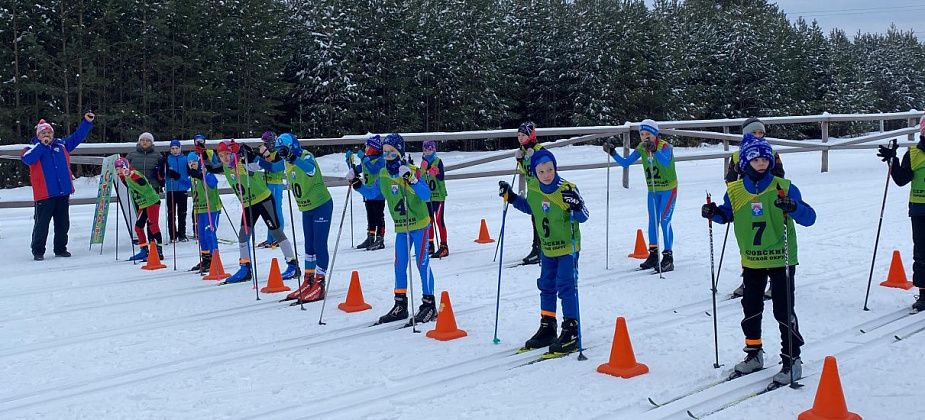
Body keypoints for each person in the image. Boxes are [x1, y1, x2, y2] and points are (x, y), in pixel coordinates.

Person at [701, 136, 815, 385]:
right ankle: (754, 354)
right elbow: (727, 214)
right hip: (751, 260)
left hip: (781, 258)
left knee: (783, 310)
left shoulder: (783, 186)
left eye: (765, 159)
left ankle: (791, 359)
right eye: (755, 159)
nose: (761, 163)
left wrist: (792, 206)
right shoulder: (736, 190)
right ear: (745, 162)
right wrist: (714, 213)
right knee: (751, 308)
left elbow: (810, 217)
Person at [498, 148, 589, 354]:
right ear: (535, 172)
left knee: (566, 286)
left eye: (550, 169)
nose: (546, 174)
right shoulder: (535, 187)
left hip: (567, 247)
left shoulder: (566, 188)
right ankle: (548, 325)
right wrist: (511, 197)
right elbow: (531, 207)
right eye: (541, 171)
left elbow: (584, 215)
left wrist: (576, 206)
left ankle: (571, 329)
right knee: (546, 285)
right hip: (547, 249)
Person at [351, 133, 437, 325]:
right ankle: (400, 305)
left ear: (400, 152)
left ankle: (429, 304)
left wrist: (412, 180)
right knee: (399, 265)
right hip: (401, 227)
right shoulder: (382, 173)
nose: (388, 156)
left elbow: (426, 195)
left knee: (422, 265)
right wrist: (357, 185)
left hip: (420, 226)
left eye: (392, 152)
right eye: (385, 152)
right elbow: (374, 193)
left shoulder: (412, 170)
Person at [216, 139, 299, 283]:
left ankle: (293, 265)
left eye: (227, 154)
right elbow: (210, 167)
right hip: (249, 204)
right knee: (243, 235)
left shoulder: (243, 162)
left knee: (276, 232)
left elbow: (257, 166)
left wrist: (248, 155)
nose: (225, 158)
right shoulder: (224, 167)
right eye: (221, 155)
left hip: (263, 200)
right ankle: (245, 268)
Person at [602, 119, 677, 272]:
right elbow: (625, 163)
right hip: (653, 190)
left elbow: (665, 163)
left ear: (655, 134)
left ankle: (668, 257)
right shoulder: (642, 148)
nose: (644, 137)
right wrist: (613, 153)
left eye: (647, 134)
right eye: (642, 134)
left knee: (664, 221)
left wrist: (655, 150)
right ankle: (653, 254)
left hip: (669, 189)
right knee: (652, 222)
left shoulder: (665, 147)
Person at [270, 134, 334, 303]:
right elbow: (273, 168)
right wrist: (253, 160)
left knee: (319, 244)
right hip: (306, 208)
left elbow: (310, 169)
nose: (282, 154)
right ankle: (309, 279)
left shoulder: (305, 155)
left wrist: (293, 157)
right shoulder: (286, 162)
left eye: (284, 150)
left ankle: (320, 283)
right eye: (279, 151)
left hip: (321, 205)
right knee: (308, 245)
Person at [21, 112, 95, 260]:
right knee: (41, 225)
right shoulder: (31, 147)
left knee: (63, 224)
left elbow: (77, 137)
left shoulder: (61, 145)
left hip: (62, 192)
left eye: (49, 132)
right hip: (44, 194)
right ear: (38, 135)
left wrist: (86, 122)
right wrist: (42, 145)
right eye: (43, 133)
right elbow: (28, 160)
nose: (47, 134)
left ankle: (60, 248)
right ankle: (38, 251)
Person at [877, 114, 925, 313]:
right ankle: (924, 294)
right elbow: (901, 179)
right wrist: (892, 161)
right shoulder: (913, 153)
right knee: (921, 252)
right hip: (920, 209)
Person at [115, 157, 164, 262]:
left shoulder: (132, 173)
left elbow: (142, 182)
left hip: (151, 201)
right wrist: (124, 177)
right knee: (138, 227)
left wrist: (129, 174)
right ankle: (144, 249)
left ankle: (159, 251)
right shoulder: (125, 177)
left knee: (153, 225)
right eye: (116, 169)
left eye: (119, 168)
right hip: (143, 204)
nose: (118, 171)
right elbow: (129, 186)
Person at [186, 152, 222, 274]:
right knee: (201, 234)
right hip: (199, 209)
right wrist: (175, 177)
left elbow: (213, 183)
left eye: (194, 162)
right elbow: (185, 185)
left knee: (209, 233)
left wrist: (202, 175)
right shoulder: (192, 175)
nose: (192, 165)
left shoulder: (206, 172)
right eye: (190, 163)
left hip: (211, 208)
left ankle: (215, 258)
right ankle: (206, 258)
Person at [350, 135, 387, 251]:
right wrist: (350, 164)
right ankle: (370, 236)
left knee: (378, 215)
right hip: (367, 192)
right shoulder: (367, 160)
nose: (365, 149)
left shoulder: (381, 160)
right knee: (370, 215)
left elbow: (373, 169)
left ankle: (380, 238)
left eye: (367, 147)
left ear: (373, 148)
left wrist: (364, 159)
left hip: (378, 193)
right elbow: (358, 169)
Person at [515, 122, 545, 265]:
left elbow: (545, 170)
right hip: (532, 192)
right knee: (534, 219)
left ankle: (539, 249)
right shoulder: (524, 151)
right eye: (519, 135)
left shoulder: (538, 150)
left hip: (542, 192)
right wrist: (520, 160)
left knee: (540, 220)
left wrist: (533, 159)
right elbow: (525, 171)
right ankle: (539, 248)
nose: (520, 138)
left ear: (531, 135)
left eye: (524, 135)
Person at [258, 131, 286, 249]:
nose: (266, 144)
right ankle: (270, 238)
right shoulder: (268, 152)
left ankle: (279, 238)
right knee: (269, 211)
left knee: (276, 211)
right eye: (264, 142)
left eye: (267, 142)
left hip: (276, 184)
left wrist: (266, 154)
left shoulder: (279, 153)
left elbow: (275, 167)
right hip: (267, 184)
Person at [421, 140, 449, 258]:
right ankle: (430, 244)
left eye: (430, 149)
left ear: (434, 150)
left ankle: (444, 246)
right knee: (429, 221)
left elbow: (441, 176)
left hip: (438, 196)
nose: (427, 152)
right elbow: (421, 177)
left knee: (439, 220)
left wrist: (432, 170)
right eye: (425, 149)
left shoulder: (438, 161)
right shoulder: (423, 162)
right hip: (428, 196)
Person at [162, 139, 191, 242]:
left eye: (177, 148)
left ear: (180, 148)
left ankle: (182, 234)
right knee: (171, 213)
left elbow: (190, 170)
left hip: (182, 188)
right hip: (171, 189)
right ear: (170, 149)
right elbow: (163, 173)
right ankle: (173, 235)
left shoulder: (185, 159)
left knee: (182, 213)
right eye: (173, 148)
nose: (175, 150)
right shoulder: (167, 160)